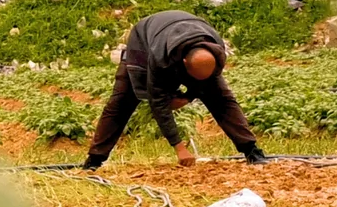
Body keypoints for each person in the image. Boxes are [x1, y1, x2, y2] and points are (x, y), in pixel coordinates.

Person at [83, 10, 268, 169]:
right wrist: (179, 147)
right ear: (185, 63)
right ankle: (95, 159)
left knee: (222, 98)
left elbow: (209, 89)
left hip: (182, 34)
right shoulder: (159, 57)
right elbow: (158, 103)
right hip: (143, 44)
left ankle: (251, 150)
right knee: (122, 100)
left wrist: (188, 97)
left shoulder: (215, 53)